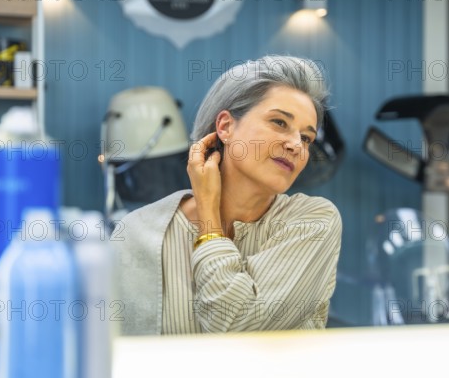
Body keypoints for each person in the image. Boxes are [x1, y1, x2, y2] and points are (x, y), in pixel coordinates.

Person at [114, 55, 342, 335]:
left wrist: (209, 218)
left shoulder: (313, 221)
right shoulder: (137, 231)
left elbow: (236, 327)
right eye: (280, 122)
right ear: (225, 126)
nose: (296, 145)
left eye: (306, 137)